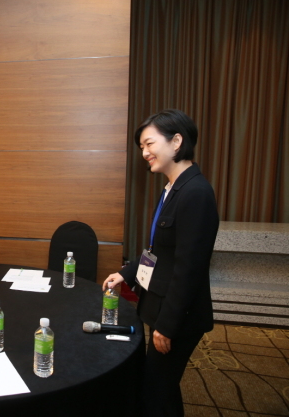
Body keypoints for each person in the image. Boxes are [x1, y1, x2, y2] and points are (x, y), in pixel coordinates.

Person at [103, 109, 219, 417]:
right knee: (160, 388)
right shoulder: (172, 188)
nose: (144, 153)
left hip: (178, 315)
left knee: (155, 391)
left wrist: (166, 326)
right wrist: (126, 273)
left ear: (176, 141)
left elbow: (188, 269)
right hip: (162, 306)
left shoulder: (195, 193)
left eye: (149, 144)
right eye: (141, 146)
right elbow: (158, 250)